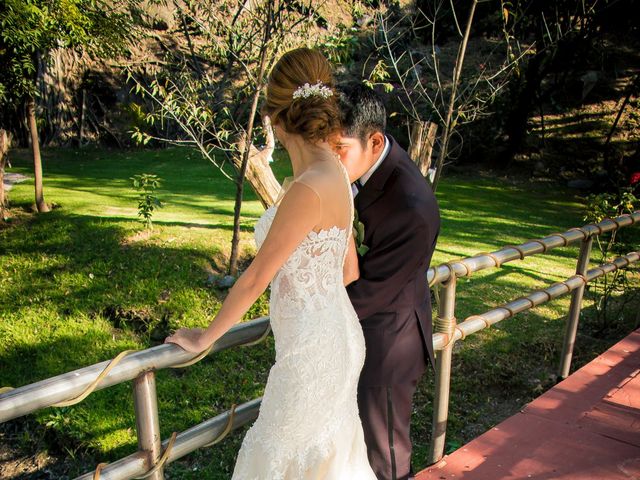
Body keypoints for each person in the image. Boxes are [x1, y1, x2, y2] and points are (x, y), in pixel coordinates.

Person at [165, 48, 377, 480]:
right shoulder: (335, 172)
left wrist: (204, 337)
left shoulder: (309, 188)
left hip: (312, 353)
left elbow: (256, 276)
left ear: (275, 119)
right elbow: (347, 270)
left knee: (279, 459)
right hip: (339, 337)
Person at [334, 85, 441, 480]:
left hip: (388, 343)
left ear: (374, 140)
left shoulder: (410, 206)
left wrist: (309, 313)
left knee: (386, 457)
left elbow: (372, 290)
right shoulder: (372, 167)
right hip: (370, 327)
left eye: (339, 148)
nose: (332, 159)